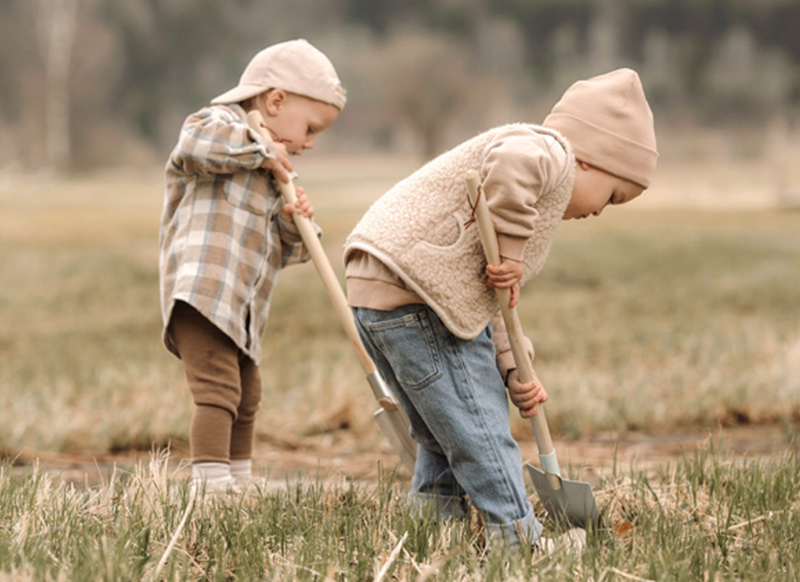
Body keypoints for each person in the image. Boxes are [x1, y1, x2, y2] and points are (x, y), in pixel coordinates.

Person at [343, 68, 657, 549]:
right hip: (416, 297)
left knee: (442, 435)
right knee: (483, 434)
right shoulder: (550, 150)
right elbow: (514, 162)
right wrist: (511, 249)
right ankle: (519, 541)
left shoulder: (531, 196)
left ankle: (432, 532)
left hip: (381, 294)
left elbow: (491, 302)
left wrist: (513, 369)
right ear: (590, 160)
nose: (600, 211)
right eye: (613, 196)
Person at [159, 39, 346, 492]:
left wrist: (294, 221)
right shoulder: (218, 126)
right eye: (310, 128)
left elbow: (290, 254)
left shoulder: (272, 172)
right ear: (275, 101)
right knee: (218, 389)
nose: (309, 143)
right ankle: (209, 481)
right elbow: (193, 146)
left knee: (248, 393)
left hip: (241, 308)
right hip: (202, 294)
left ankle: (238, 478)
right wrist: (262, 151)